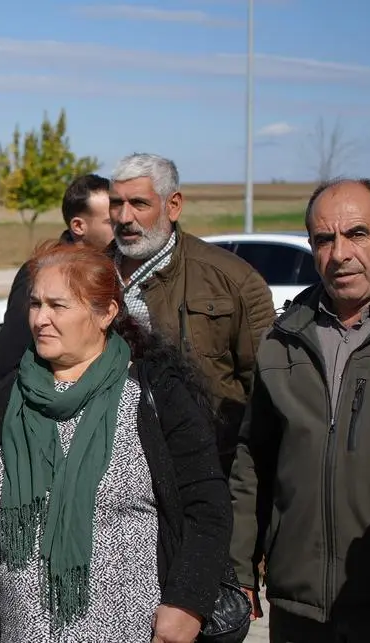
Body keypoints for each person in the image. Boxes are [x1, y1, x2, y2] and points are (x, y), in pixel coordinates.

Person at [0, 241, 232, 643]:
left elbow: (207, 506)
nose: (41, 319)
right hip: (21, 631)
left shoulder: (154, 395)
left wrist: (187, 601)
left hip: (133, 632)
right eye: (35, 304)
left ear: (106, 313)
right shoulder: (9, 399)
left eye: (58, 306)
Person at [231, 178, 370, 640]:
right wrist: (239, 569)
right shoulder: (283, 340)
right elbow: (253, 461)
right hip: (300, 608)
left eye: (356, 234)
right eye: (323, 239)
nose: (339, 254)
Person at [108, 153, 274, 473]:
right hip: (113, 466)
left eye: (139, 203)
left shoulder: (232, 280)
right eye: (116, 203)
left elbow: (264, 388)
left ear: (173, 205)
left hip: (205, 465)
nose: (124, 217)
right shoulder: (87, 276)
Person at [0, 173, 114, 390]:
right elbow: (1, 366)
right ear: (78, 226)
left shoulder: (116, 267)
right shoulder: (42, 274)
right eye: (110, 221)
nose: (123, 222)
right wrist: (50, 400)